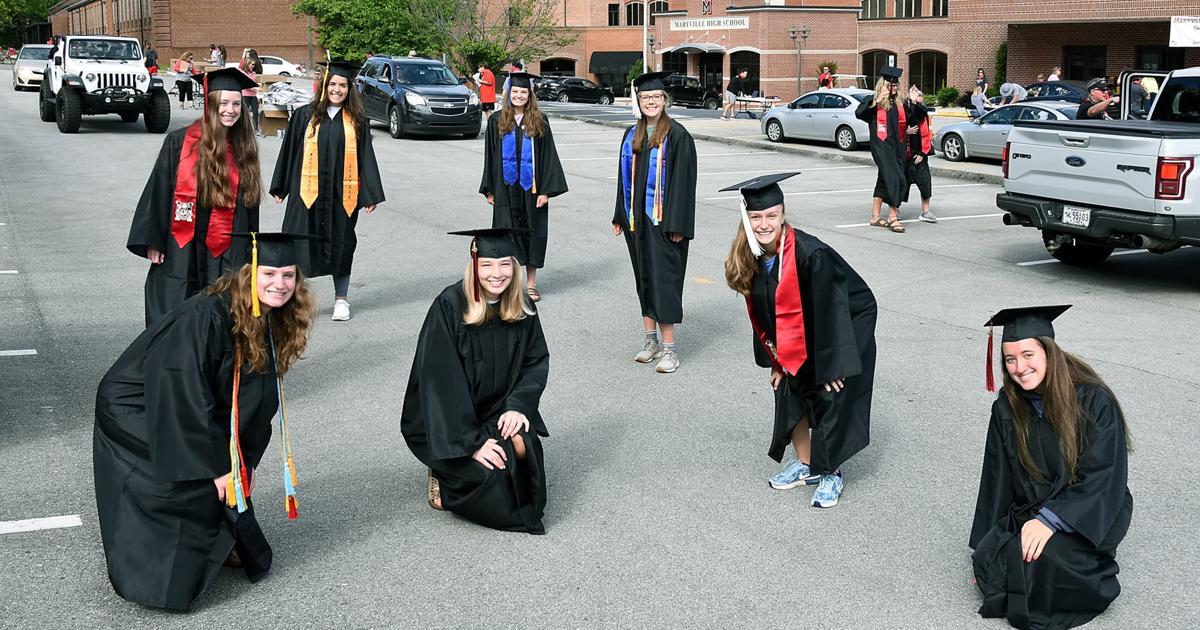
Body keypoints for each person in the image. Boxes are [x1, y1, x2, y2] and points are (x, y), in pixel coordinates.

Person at [95, 232, 317, 611]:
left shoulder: (269, 317)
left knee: (224, 473)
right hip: (139, 404)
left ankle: (222, 540)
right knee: (188, 480)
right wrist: (219, 467)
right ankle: (159, 576)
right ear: (248, 274)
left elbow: (254, 400)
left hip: (184, 402)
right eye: (268, 274)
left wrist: (244, 462)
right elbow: (183, 394)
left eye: (287, 275)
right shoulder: (206, 316)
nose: (279, 284)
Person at [971, 305, 1133, 630]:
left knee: (1037, 560)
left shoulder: (1093, 400)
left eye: (1028, 355)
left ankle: (1096, 574)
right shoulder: (1008, 406)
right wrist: (987, 542)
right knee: (993, 556)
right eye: (1010, 359)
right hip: (1034, 505)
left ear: (1048, 351)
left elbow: (1104, 474)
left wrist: (1050, 521)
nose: (1020, 368)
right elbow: (997, 476)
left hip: (1090, 510)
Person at [722, 172, 878, 508]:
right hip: (802, 330)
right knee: (787, 388)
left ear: (783, 214)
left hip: (845, 324)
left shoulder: (810, 253)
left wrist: (834, 365)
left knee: (829, 392)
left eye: (771, 215)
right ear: (746, 219)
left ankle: (830, 471)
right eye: (756, 217)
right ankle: (806, 464)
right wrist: (777, 361)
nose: (764, 224)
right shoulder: (751, 255)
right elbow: (765, 312)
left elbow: (832, 309)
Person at [401, 227, 550, 534]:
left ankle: (466, 471)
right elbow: (441, 384)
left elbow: (535, 361)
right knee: (493, 476)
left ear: (515, 267)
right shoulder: (449, 305)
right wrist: (472, 444)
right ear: (474, 265)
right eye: (487, 265)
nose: (497, 274)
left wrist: (517, 406)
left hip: (498, 408)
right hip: (449, 423)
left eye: (505, 264)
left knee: (522, 449)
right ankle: (443, 472)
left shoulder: (522, 306)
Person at [128, 68, 264, 326]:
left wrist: (252, 249)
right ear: (210, 104)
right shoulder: (180, 142)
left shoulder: (244, 147)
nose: (230, 110)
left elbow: (250, 204)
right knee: (177, 302)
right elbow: (159, 189)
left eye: (236, 104)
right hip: (183, 241)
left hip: (228, 242)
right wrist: (153, 240)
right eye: (223, 103)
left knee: (223, 307)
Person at [270, 61, 386, 322]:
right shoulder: (304, 115)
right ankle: (293, 301)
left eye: (342, 85)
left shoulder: (357, 120)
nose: (337, 89)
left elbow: (366, 156)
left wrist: (370, 194)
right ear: (324, 86)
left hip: (341, 195)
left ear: (349, 88)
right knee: (299, 241)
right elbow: (289, 150)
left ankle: (341, 300)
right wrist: (281, 186)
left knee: (342, 243)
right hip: (305, 193)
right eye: (332, 84)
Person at [613, 72, 698, 374]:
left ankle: (670, 349)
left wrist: (678, 225)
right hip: (636, 222)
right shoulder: (631, 134)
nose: (651, 102)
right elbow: (623, 177)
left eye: (656, 97)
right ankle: (651, 342)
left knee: (665, 282)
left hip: (665, 224)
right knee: (644, 279)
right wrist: (620, 214)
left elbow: (684, 184)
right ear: (638, 102)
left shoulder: (678, 135)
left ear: (665, 100)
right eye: (645, 98)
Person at [479, 72, 568, 303]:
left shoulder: (539, 120)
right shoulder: (496, 120)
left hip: (532, 189)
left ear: (530, 95)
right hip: (505, 189)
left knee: (532, 233)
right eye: (515, 92)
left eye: (523, 92)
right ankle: (507, 286)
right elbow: (490, 156)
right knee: (505, 234)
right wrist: (490, 188)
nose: (519, 96)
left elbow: (548, 156)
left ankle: (530, 286)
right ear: (509, 94)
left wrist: (546, 191)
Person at [855, 66, 908, 233]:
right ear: (883, 85)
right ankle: (893, 217)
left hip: (897, 146)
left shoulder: (899, 103)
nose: (894, 88)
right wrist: (876, 101)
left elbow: (911, 119)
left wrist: (916, 104)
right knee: (895, 178)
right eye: (891, 85)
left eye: (896, 85)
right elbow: (859, 113)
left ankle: (875, 217)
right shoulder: (873, 101)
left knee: (883, 179)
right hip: (881, 146)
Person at [904, 85, 937, 223]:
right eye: (915, 93)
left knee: (925, 182)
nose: (918, 95)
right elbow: (903, 122)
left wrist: (922, 153)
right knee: (901, 183)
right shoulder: (903, 107)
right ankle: (895, 209)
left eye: (920, 94)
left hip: (919, 154)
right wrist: (906, 131)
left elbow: (925, 133)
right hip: (905, 154)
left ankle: (925, 211)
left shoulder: (922, 110)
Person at [239, 49, 263, 137]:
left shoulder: (253, 73)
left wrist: (258, 87)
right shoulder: (243, 73)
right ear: (248, 64)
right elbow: (246, 85)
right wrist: (255, 88)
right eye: (252, 64)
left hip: (253, 95)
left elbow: (254, 83)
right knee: (245, 113)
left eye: (254, 65)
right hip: (245, 95)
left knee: (255, 112)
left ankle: (256, 129)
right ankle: (242, 129)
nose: (253, 66)